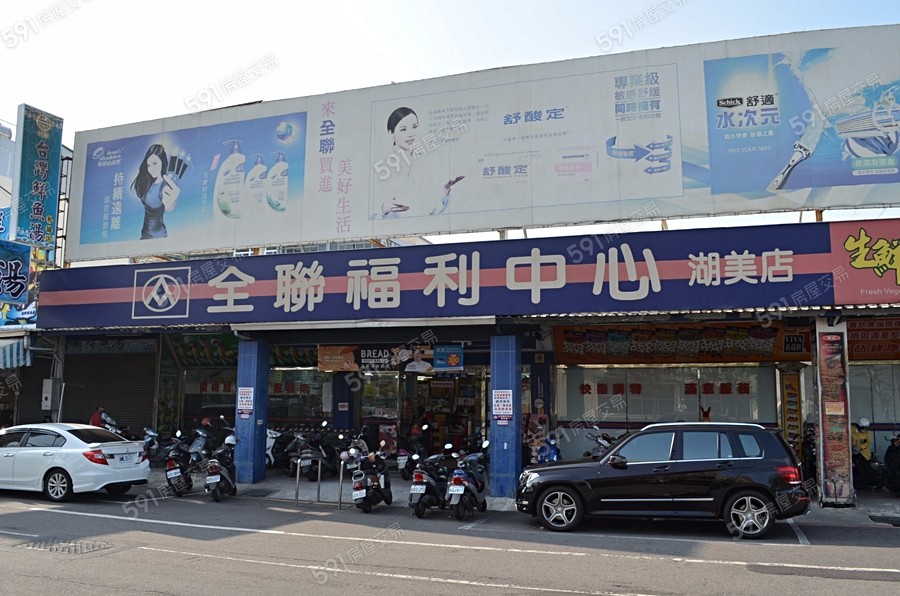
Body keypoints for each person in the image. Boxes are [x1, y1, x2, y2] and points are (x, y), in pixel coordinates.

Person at [379, 106, 464, 218]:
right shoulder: (382, 167)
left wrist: (445, 188)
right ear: (391, 133)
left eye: (414, 127)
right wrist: (384, 209)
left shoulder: (426, 163)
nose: (411, 134)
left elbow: (433, 211)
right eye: (403, 129)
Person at [131, 143, 181, 239]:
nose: (151, 169)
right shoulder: (148, 183)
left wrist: (171, 203)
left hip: (158, 237)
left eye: (155, 163)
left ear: (162, 162)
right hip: (145, 235)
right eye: (149, 165)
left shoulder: (164, 187)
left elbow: (169, 205)